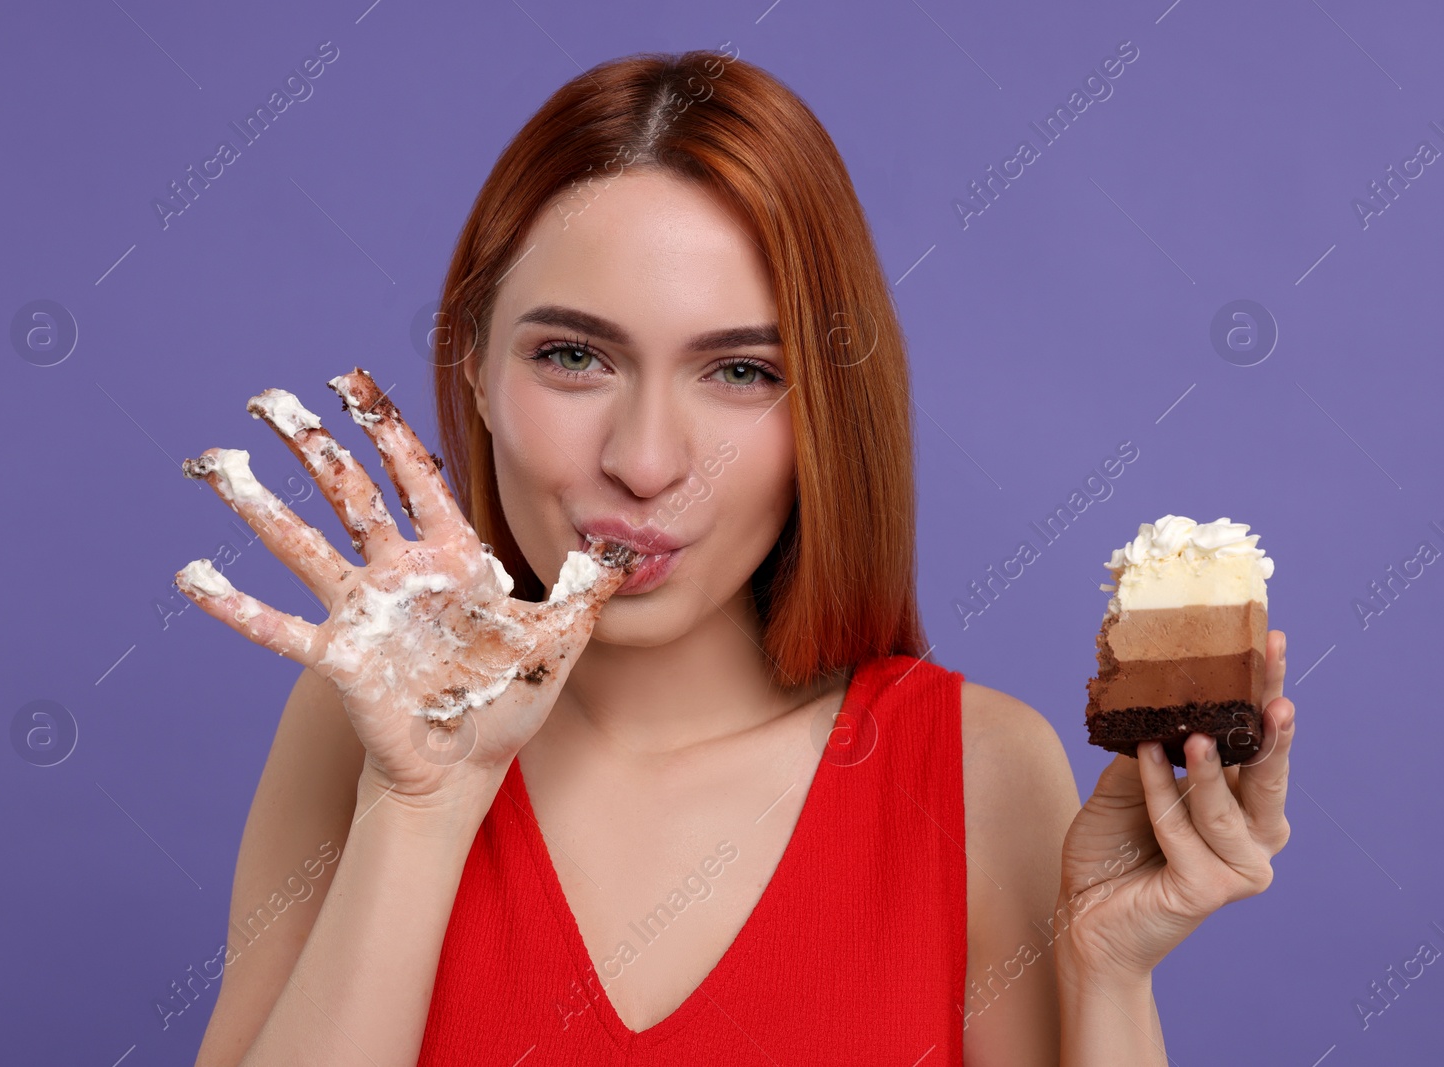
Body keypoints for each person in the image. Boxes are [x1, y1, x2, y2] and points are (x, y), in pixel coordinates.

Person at [176, 48, 1295, 1066]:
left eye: (742, 373)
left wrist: (1108, 969)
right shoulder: (363, 730)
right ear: (468, 361)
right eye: (573, 355)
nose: (649, 460)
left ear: (829, 407)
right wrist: (420, 810)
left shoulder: (974, 766)